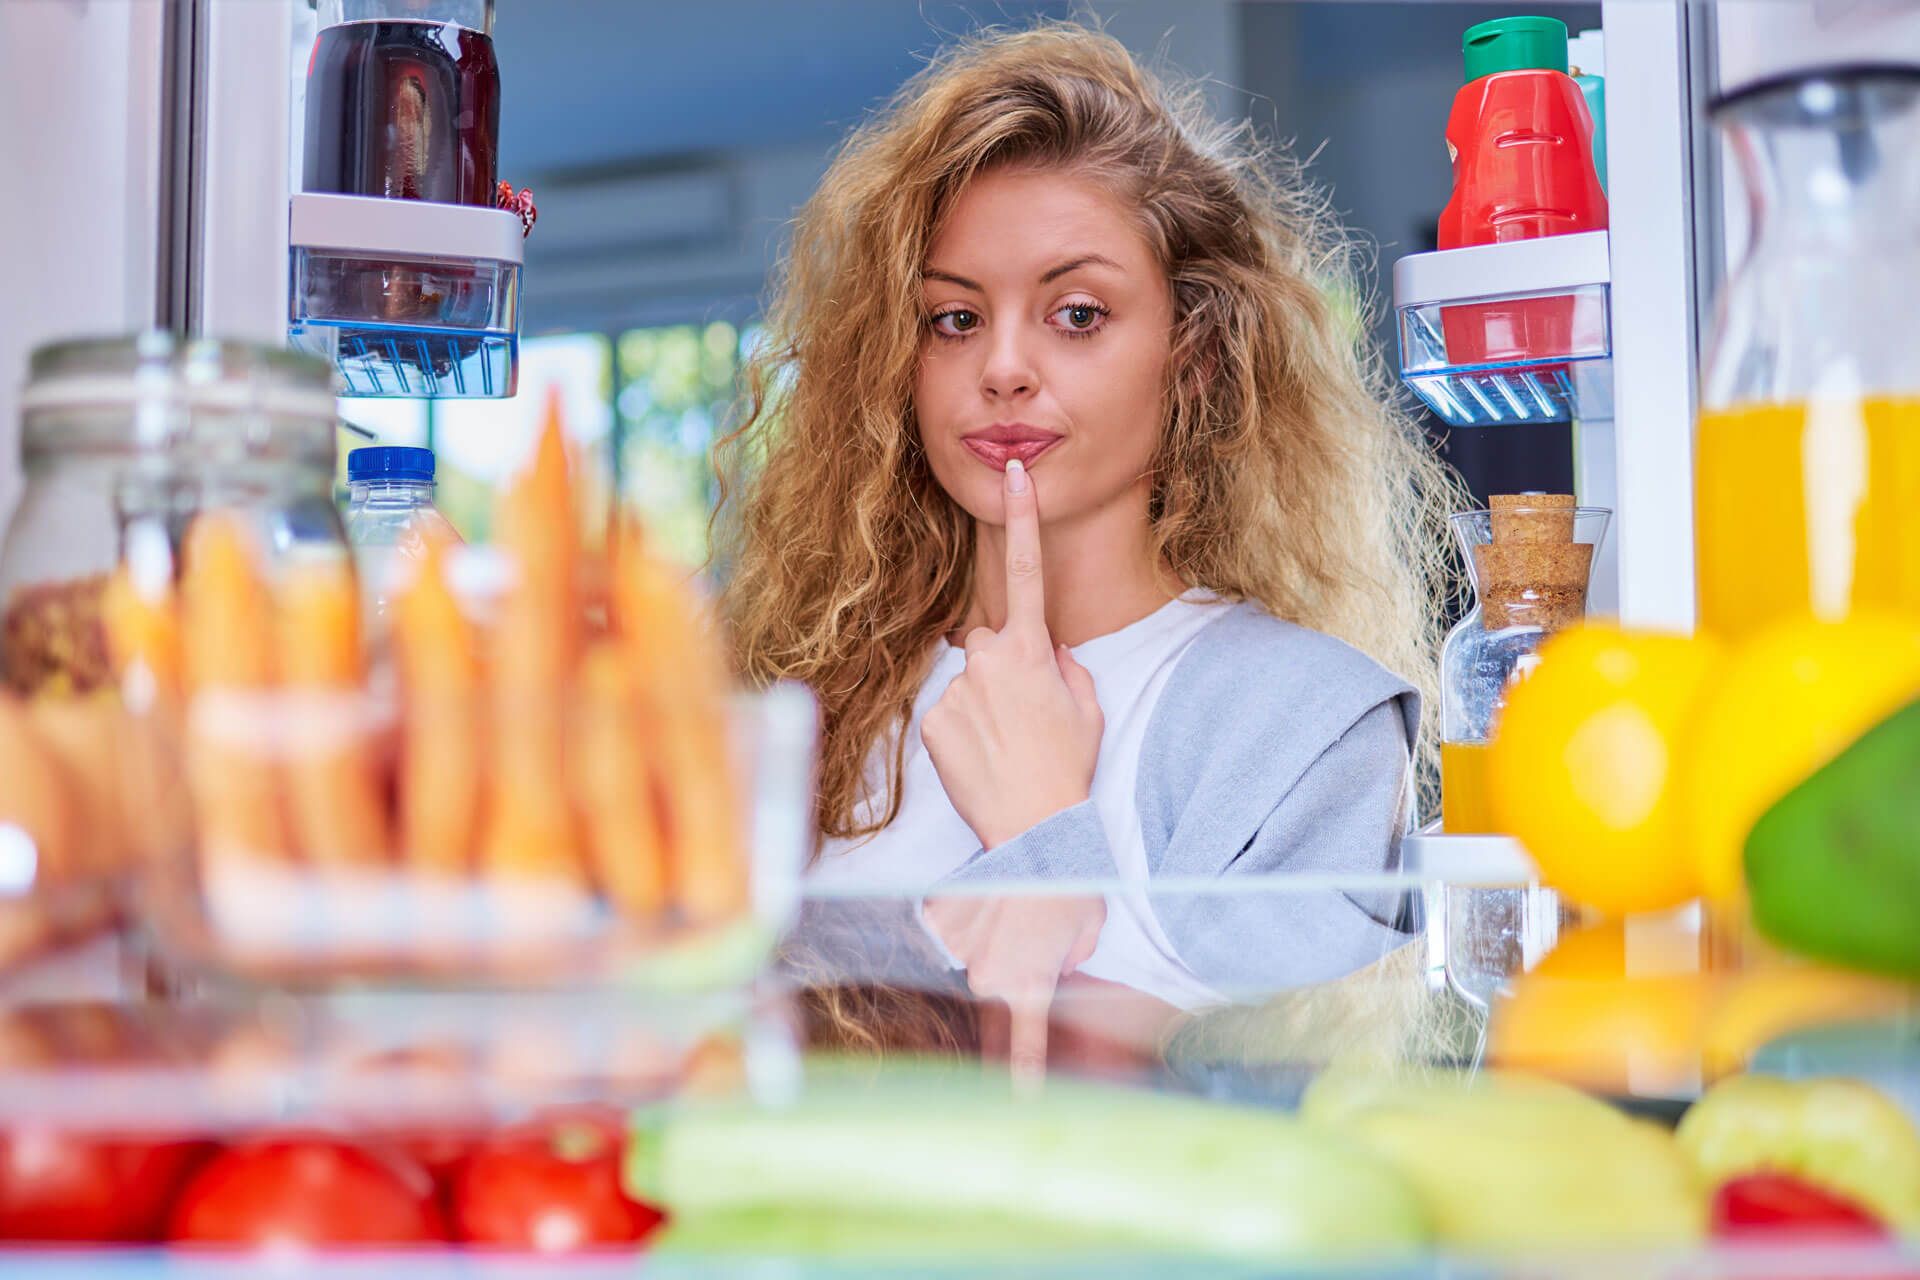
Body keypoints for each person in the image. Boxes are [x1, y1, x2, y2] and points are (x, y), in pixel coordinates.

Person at [715, 22, 1458, 1076]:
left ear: (1193, 353)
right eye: (954, 318)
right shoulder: (815, 696)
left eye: (1076, 313)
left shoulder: (1310, 727)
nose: (1004, 367)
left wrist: (1045, 838)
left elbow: (1242, 1121)